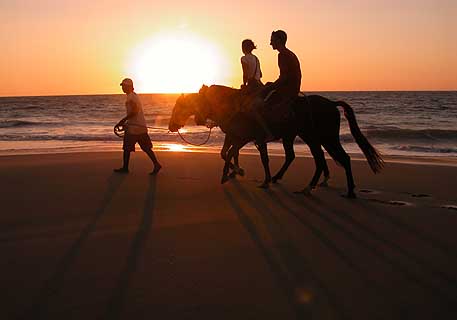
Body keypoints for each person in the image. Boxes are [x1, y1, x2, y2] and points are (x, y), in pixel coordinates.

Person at [114, 78, 162, 174]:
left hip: (134, 129)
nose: (122, 88)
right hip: (140, 127)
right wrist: (126, 123)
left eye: (124, 86)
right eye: (122, 86)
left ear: (129, 87)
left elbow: (135, 112)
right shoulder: (134, 96)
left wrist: (122, 121)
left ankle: (125, 168)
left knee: (127, 148)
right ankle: (156, 164)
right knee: (146, 148)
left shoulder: (131, 97)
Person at [239, 39, 274, 142]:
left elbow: (245, 74)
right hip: (260, 84)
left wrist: (244, 85)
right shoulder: (256, 58)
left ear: (244, 48)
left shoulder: (244, 58)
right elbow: (261, 74)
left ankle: (264, 132)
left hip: (252, 86)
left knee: (249, 108)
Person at [263, 30, 302, 121]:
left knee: (265, 106)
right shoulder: (289, 53)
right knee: (268, 85)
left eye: (272, 40)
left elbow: (283, 78)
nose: (270, 43)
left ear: (279, 41)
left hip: (288, 90)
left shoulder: (282, 55)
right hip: (293, 87)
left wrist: (268, 88)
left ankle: (268, 132)